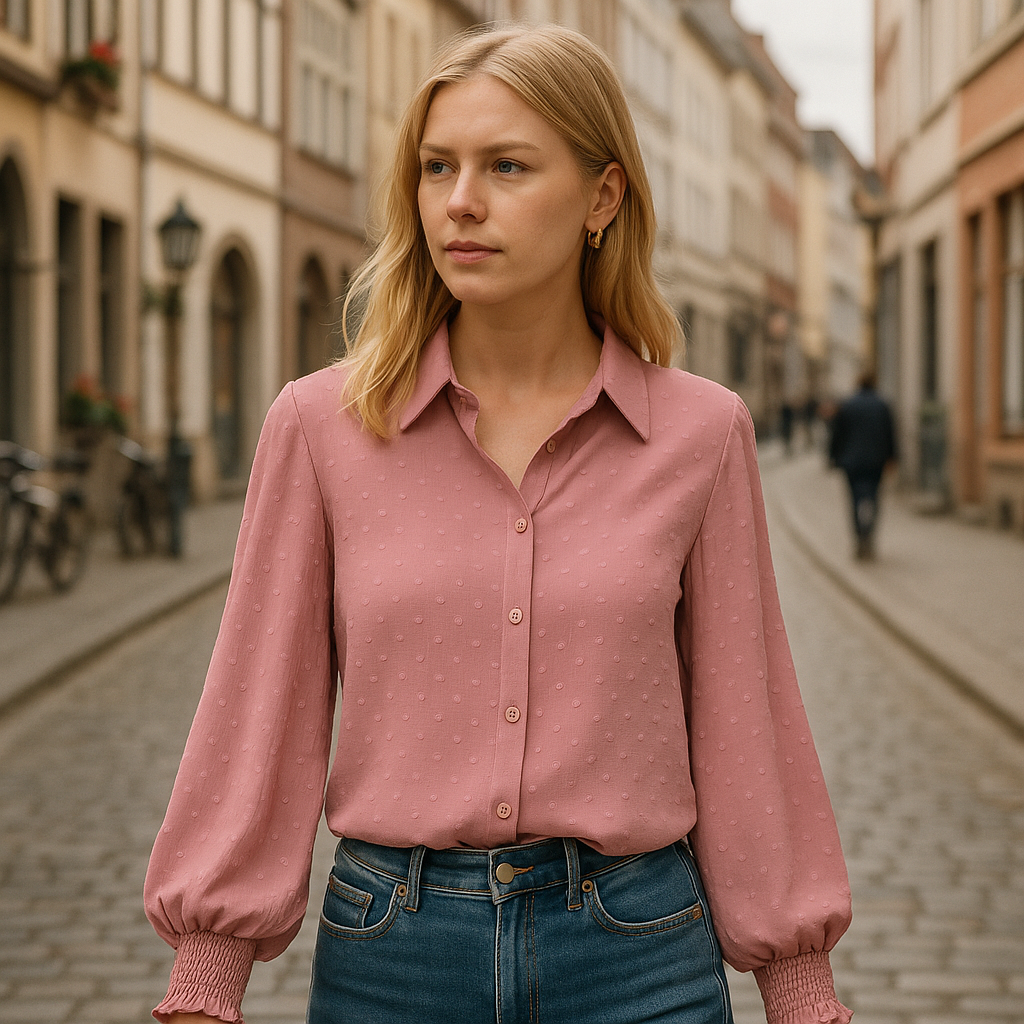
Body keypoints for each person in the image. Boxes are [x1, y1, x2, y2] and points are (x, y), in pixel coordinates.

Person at [145, 24, 852, 1024]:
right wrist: (207, 971)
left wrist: (798, 983)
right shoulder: (321, 428)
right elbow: (261, 701)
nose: (460, 201)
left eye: (506, 166)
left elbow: (749, 717)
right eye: (438, 167)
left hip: (639, 952)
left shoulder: (701, 433)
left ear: (603, 196)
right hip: (392, 949)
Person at [829, 371, 897, 559]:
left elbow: (837, 434)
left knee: (854, 499)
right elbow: (890, 434)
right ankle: (869, 534)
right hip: (875, 461)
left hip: (851, 462)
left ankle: (859, 536)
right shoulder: (882, 405)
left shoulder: (848, 405)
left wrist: (833, 458)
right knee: (873, 498)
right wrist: (892, 458)